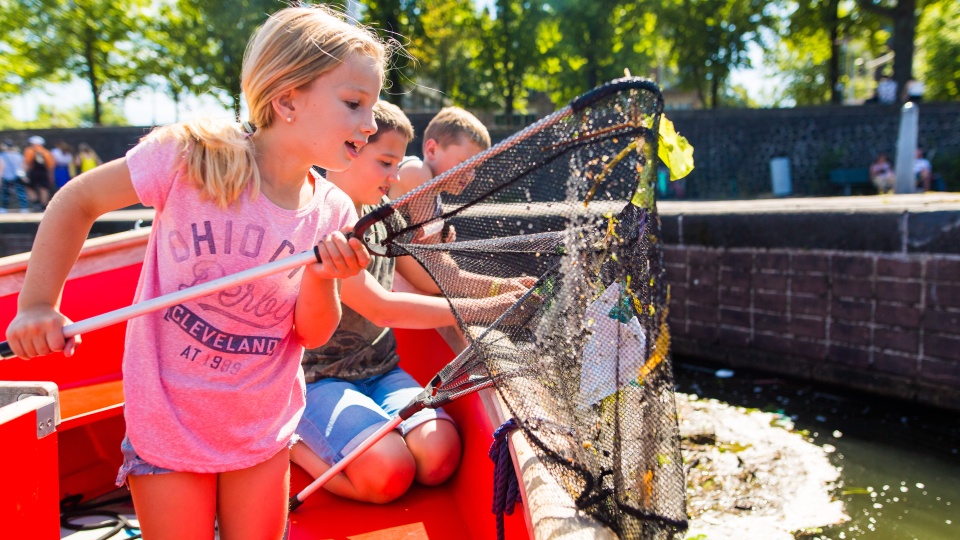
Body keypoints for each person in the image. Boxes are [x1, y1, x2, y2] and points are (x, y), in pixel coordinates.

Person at [4, 5, 386, 538]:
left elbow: (314, 333)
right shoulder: (191, 157)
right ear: (287, 99)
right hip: (168, 421)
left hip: (260, 427)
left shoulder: (335, 212)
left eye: (372, 106)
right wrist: (38, 304)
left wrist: (323, 277)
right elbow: (78, 200)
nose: (371, 124)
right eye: (354, 103)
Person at [292, 101, 530, 504]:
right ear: (348, 148)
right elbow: (381, 307)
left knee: (440, 457)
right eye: (385, 162)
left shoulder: (387, 218)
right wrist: (489, 310)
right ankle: (293, 446)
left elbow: (440, 280)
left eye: (398, 164)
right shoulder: (320, 223)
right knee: (389, 473)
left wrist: (504, 288)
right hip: (320, 380)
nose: (395, 176)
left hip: (381, 372)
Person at [22, 135, 54, 210]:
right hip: (43, 172)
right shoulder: (46, 152)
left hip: (33, 172)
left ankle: (36, 202)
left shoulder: (29, 150)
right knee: (44, 188)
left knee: (29, 187)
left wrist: (24, 172)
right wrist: (50, 175)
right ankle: (43, 205)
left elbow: (27, 162)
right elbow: (50, 165)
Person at [0, 140, 31, 213]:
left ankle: (4, 208)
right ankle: (24, 208)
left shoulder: (2, 155)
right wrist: (24, 175)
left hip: (5, 175)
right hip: (18, 175)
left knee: (5, 193)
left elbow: (1, 166)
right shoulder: (18, 155)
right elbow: (23, 165)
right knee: (21, 192)